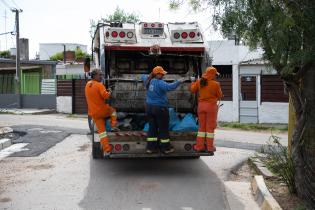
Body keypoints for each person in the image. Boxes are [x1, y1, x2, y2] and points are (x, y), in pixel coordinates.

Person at [141, 66, 184, 154]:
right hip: (160, 109)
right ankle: (165, 148)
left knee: (152, 128)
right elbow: (170, 87)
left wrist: (150, 75)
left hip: (149, 108)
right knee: (163, 129)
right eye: (162, 74)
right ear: (157, 74)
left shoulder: (147, 80)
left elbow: (142, 76)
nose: (163, 75)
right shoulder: (160, 83)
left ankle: (151, 148)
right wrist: (179, 81)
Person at [85, 69, 117, 155]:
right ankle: (113, 126)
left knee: (102, 133)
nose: (101, 76)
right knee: (113, 110)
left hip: (93, 113)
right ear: (94, 76)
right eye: (100, 75)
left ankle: (107, 149)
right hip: (102, 111)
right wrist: (110, 91)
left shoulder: (88, 84)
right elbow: (105, 96)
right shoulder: (99, 85)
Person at [190, 66, 223, 152]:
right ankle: (209, 147)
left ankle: (199, 146)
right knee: (210, 128)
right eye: (215, 74)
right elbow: (219, 96)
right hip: (211, 107)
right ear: (212, 74)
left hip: (201, 107)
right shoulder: (216, 84)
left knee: (201, 128)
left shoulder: (199, 81)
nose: (216, 76)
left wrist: (193, 82)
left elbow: (192, 90)